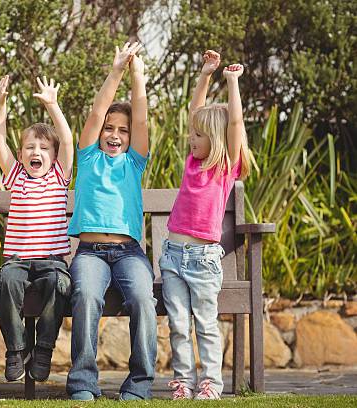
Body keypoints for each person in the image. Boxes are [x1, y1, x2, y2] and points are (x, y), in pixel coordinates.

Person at [66, 42, 158, 401]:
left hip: (129, 254)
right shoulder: (88, 157)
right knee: (87, 295)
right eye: (109, 128)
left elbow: (141, 117)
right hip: (89, 253)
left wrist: (138, 77)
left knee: (142, 299)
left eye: (121, 129)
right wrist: (117, 69)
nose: (115, 134)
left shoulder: (135, 162)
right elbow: (96, 111)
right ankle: (83, 383)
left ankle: (139, 384)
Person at [161, 50, 251, 400]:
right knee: (179, 325)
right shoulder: (190, 164)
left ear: (214, 140)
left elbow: (235, 125)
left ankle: (210, 382)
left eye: (198, 136)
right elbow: (194, 113)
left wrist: (231, 83)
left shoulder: (225, 168)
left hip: (204, 261)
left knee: (206, 325)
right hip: (172, 257)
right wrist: (205, 74)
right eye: (192, 134)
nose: (191, 139)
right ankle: (183, 382)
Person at [0, 75, 73, 383]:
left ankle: (43, 350)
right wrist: (0, 105)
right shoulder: (16, 177)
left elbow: (66, 140)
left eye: (42, 148)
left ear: (52, 157)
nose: (34, 152)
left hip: (52, 260)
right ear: (22, 153)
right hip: (17, 261)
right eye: (28, 147)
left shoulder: (58, 177)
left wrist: (52, 105)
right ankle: (16, 350)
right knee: (8, 284)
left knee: (59, 285)